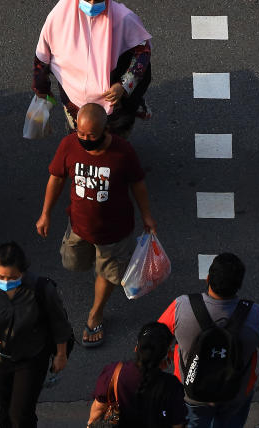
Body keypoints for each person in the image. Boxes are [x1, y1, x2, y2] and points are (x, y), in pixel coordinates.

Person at [36, 102, 154, 349]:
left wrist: (147, 216)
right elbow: (56, 179)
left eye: (91, 135)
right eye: (80, 133)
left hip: (115, 232)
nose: (85, 139)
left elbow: (138, 184)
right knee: (73, 262)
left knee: (107, 272)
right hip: (78, 226)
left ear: (105, 130)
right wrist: (45, 213)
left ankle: (95, 314)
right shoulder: (69, 145)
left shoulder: (123, 152)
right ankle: (100, 265)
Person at [33, 0, 152, 135]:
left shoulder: (124, 19)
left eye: (98, 0)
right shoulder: (57, 20)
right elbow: (42, 58)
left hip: (114, 99)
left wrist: (124, 86)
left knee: (114, 140)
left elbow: (143, 52)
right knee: (80, 135)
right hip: (73, 100)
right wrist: (41, 89)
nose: (91, 5)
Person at [0, 242, 73, 428]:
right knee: (6, 404)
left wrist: (61, 355)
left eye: (13, 277)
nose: (6, 282)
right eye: (0, 276)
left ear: (23, 272)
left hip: (31, 359)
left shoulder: (42, 288)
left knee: (20, 415)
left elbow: (60, 324)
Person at [157, 253, 259, 428]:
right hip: (236, 393)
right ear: (238, 285)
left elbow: (155, 340)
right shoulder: (256, 315)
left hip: (190, 393)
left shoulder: (181, 306)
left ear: (208, 278)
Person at [87, 322, 186, 428]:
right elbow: (177, 424)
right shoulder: (172, 386)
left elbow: (98, 409)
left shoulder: (114, 373)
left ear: (136, 348)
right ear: (166, 355)